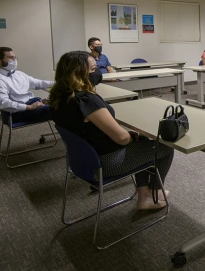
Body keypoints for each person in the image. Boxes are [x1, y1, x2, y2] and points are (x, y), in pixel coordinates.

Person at [50, 51, 174, 210]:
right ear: (79, 73)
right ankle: (155, 193)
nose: (98, 72)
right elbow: (121, 138)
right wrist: (130, 136)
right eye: (94, 69)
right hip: (108, 162)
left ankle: (144, 194)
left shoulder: (58, 98)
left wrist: (133, 138)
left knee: (143, 142)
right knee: (164, 147)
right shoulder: (86, 100)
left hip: (84, 161)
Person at [0, 47, 54, 123]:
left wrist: (58, 82)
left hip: (32, 103)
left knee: (63, 102)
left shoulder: (18, 74)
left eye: (15, 58)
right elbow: (2, 103)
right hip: (18, 112)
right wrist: (29, 107)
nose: (14, 60)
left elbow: (38, 83)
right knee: (57, 109)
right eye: (11, 58)